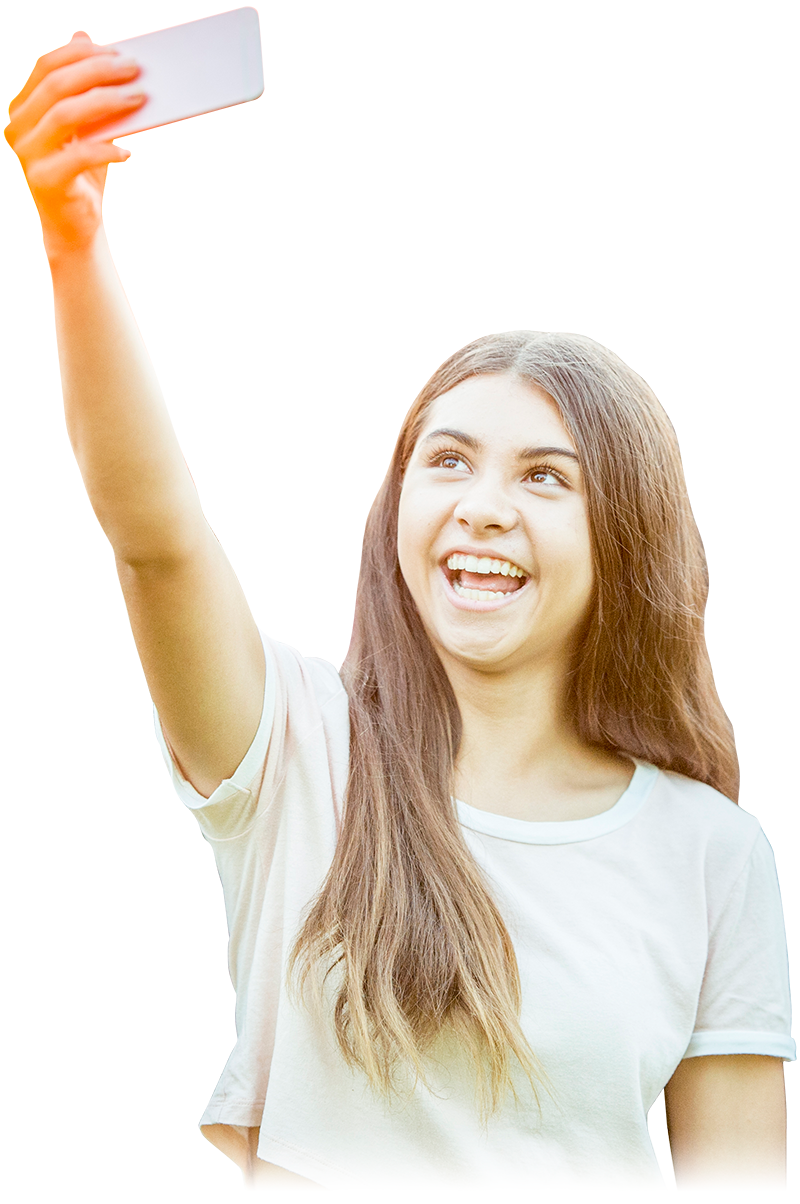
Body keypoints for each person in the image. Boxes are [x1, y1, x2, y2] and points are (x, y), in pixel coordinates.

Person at [8, 35, 795, 1193]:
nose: (481, 509)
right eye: (447, 461)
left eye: (543, 477)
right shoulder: (301, 752)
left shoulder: (707, 851)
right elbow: (157, 544)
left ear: (619, 537)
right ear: (396, 506)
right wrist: (72, 247)